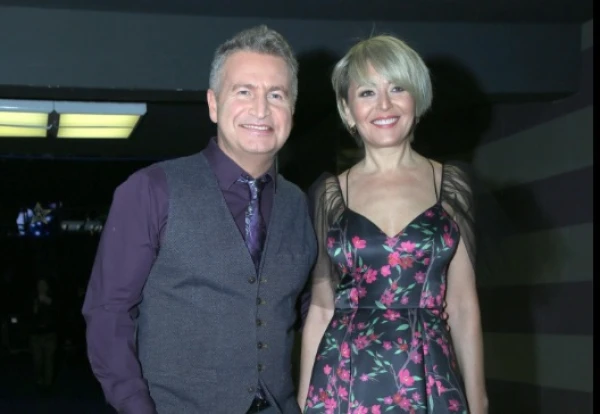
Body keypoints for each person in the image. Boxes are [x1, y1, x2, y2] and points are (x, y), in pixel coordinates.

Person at [82, 25, 317, 414]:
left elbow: (308, 312)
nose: (261, 110)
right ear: (213, 104)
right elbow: (109, 314)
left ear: (291, 108)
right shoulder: (150, 190)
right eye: (243, 91)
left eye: (276, 95)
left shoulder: (301, 205)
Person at [297, 35, 488, 413]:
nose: (384, 104)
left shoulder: (451, 185)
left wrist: (478, 401)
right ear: (348, 109)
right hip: (344, 380)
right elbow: (321, 308)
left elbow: (463, 304)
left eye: (397, 88)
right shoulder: (329, 194)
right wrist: (304, 402)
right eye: (367, 92)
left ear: (417, 98)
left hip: (428, 378)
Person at [30, 278, 58, 392]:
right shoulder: (33, 299)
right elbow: (28, 316)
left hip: (50, 334)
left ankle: (48, 385)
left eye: (43, 284)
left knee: (49, 361)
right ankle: (39, 379)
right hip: (36, 335)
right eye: (39, 284)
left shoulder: (53, 299)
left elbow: (58, 312)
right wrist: (34, 308)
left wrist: (48, 302)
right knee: (37, 360)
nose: (41, 287)